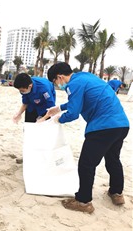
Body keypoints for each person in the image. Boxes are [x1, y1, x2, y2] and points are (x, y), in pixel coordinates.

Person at [45, 62, 129, 214]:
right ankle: (117, 193)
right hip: (121, 125)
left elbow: (74, 112)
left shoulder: (73, 84)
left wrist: (58, 119)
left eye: (56, 82)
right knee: (113, 160)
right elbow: (80, 100)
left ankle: (83, 202)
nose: (58, 85)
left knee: (86, 165)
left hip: (103, 127)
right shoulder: (86, 77)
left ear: (59, 77)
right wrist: (58, 108)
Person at [12, 73, 56, 163]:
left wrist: (43, 118)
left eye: (22, 90)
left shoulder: (44, 88)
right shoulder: (24, 88)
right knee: (28, 130)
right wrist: (19, 113)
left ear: (30, 86)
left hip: (46, 108)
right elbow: (25, 103)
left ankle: (43, 157)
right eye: (20, 91)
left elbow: (52, 109)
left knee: (42, 132)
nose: (21, 92)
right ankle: (28, 155)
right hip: (32, 106)